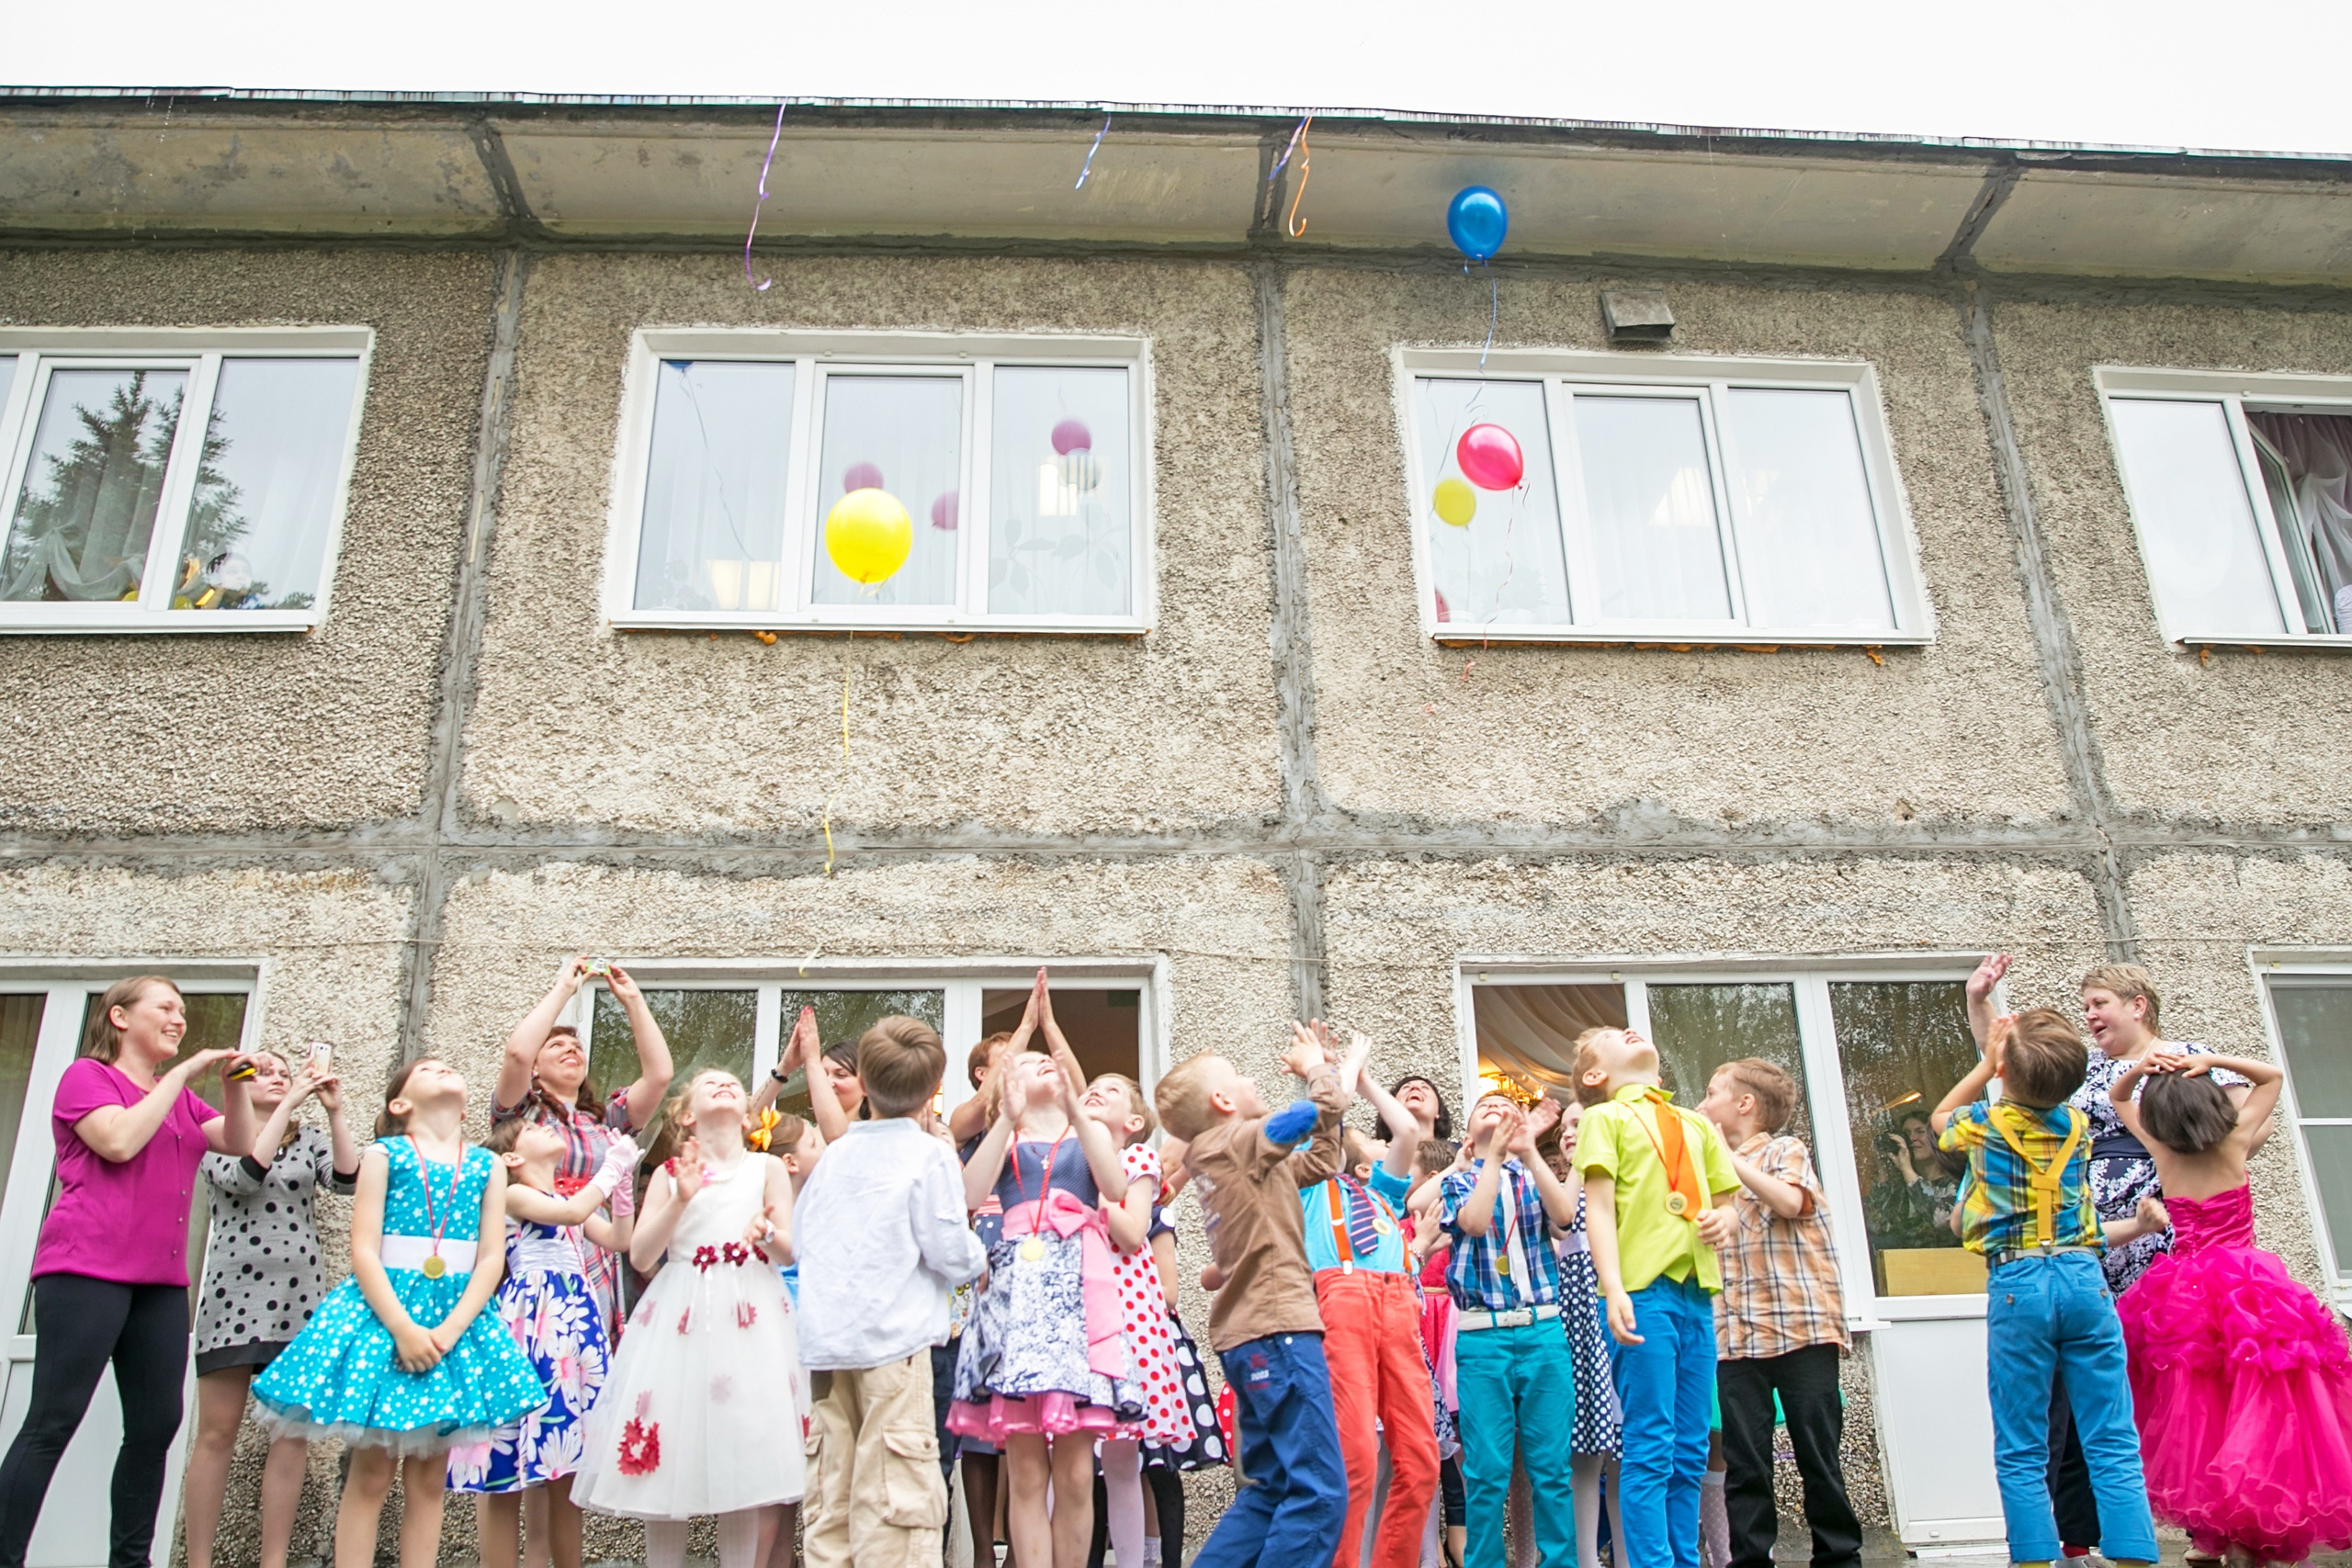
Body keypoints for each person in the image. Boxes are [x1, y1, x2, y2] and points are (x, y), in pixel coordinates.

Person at [1966, 956, 2259, 1561]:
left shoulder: (2187, 1055)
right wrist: (1980, 1004)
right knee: (2077, 1401)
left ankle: (2210, 1525)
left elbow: (2235, 1133)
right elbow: (2022, 1071)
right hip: (2087, 1251)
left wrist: (2178, 1166)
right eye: (2087, 1005)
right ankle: (2082, 1537)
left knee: (2170, 1392)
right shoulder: (2088, 1072)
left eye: (2099, 1002)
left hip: (2162, 1248)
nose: (2090, 1014)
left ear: (2137, 1005)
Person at [0, 977, 257, 1568]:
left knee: (157, 1426)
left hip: (159, 1283)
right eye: (165, 1007)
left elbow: (239, 1144)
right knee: (54, 1420)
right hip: (85, 1270)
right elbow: (117, 1142)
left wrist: (232, 1087)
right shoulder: (87, 1078)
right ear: (119, 1017)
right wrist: (180, 1075)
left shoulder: (180, 1100)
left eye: (183, 1011)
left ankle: (130, 1562)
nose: (179, 1019)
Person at [252, 1056, 548, 1568]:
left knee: (431, 1477)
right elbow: (364, 1250)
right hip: (385, 1316)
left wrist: (453, 1329)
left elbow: (491, 1257)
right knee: (371, 1471)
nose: (443, 1070)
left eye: (448, 1067)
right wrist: (402, 1328)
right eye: (427, 1068)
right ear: (399, 1103)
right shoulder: (384, 1155)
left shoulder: (488, 1165)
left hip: (458, 1318)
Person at [1930, 1010, 2165, 1568]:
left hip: (2019, 1284)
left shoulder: (1984, 1123)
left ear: (2005, 1070)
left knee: (2023, 1443)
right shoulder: (2078, 1128)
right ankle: (2133, 1551)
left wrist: (1985, 1061)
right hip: (2085, 1279)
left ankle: (2034, 1557)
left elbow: (1940, 1118)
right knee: (2110, 1432)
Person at [2108, 1049, 2352, 1565]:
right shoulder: (2237, 1140)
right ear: (2213, 1105)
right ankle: (2241, 1533)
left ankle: (2211, 1534)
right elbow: (2272, 1075)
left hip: (2185, 1292)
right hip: (2248, 1288)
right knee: (2255, 1407)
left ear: (2160, 1118)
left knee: (2199, 1409)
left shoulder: (2159, 1149)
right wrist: (2209, 1061)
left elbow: (2116, 1096)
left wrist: (2144, 1067)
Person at [570, 1069, 802, 1568]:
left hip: (749, 1318)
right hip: (680, 1318)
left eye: (733, 1085)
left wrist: (766, 1233)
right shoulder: (674, 1171)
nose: (724, 1085)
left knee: (741, 1463)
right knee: (668, 1455)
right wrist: (680, 1197)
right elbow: (641, 1256)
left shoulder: (767, 1169)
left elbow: (789, 1250)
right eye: (709, 1083)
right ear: (687, 1115)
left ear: (747, 1115)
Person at [952, 977, 1139, 1568]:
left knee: (1078, 1473)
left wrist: (1077, 1105)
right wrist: (1005, 1117)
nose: (1045, 1065)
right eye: (1030, 1063)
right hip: (1016, 1299)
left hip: (1079, 1301)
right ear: (1009, 1080)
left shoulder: (1086, 1141)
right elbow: (969, 1194)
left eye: (1051, 1063)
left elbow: (1114, 1187)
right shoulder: (1002, 1139)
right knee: (1027, 1470)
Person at [797, 1014, 986, 1568]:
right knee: (895, 1494)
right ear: (932, 1093)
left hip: (829, 1346)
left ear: (867, 1086)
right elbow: (951, 1252)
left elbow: (804, 1238)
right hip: (894, 1345)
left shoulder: (835, 1156)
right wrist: (980, 1259)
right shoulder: (927, 1154)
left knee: (834, 1490)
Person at [1154, 1023, 1347, 1568]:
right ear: (1222, 1101)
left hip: (1249, 1338)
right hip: (1279, 1329)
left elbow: (1321, 1161)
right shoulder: (1239, 1141)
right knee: (1319, 1492)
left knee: (1269, 1488)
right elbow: (1313, 1111)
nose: (1252, 1078)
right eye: (1239, 1076)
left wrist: (1327, 1090)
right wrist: (1318, 1071)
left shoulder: (1232, 1157)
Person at [183, 1048, 360, 1568]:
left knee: (290, 1434)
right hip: (232, 1295)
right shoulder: (216, 1133)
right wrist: (291, 1102)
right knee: (217, 1432)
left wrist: (332, 1110)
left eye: (286, 1074)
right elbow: (246, 1174)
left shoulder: (307, 1139)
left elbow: (347, 1181)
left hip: (298, 1298)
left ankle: (274, 1561)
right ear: (240, 1082)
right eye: (266, 1073)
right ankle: (197, 1560)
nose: (279, 1079)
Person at [1572, 1028, 1741, 1568]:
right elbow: (1597, 1208)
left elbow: (1729, 1204)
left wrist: (1724, 1219)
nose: (1627, 1029)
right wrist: (1613, 1286)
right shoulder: (1604, 1118)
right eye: (1608, 1037)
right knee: (1651, 1443)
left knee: (1691, 1448)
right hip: (1643, 1291)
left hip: (1696, 1296)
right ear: (1596, 1075)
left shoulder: (1696, 1123)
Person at [448, 1117, 641, 1568]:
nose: (548, 1128)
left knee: (566, 1472)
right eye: (534, 1129)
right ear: (512, 1158)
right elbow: (573, 1216)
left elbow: (618, 1238)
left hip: (573, 1331)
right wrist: (610, 1170)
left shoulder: (568, 1196)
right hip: (532, 1328)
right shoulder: (513, 1194)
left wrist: (624, 1186)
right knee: (506, 1479)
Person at [1693, 1059, 1860, 1568]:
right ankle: (1749, 1560)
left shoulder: (1784, 1149)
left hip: (1801, 1329)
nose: (1702, 1102)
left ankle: (1838, 1558)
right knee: (1745, 1465)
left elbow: (1790, 1202)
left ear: (1745, 1104)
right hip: (1734, 1338)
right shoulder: (1703, 1169)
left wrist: (1727, 1159)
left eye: (1712, 1091)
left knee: (1819, 1458)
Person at [1303, 1032, 1434, 1568]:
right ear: (1353, 1162)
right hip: (1344, 1295)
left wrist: (1361, 1077)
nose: (1380, 1146)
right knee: (1355, 1455)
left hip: (1400, 1302)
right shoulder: (1310, 1187)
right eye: (1367, 1142)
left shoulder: (1383, 1191)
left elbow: (1404, 1128)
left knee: (1421, 1461)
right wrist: (1336, 1072)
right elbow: (1324, 1126)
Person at [494, 957, 676, 1337]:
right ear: (535, 1070)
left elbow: (659, 1075)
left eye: (577, 1046)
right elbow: (516, 1054)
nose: (571, 1050)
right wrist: (564, 988)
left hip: (595, 1244)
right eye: (556, 1045)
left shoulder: (605, 1120)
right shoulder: (522, 1115)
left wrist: (633, 1001)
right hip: (536, 1245)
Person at [1439, 1089, 1579, 1568]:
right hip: (1484, 1338)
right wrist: (1492, 1159)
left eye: (1506, 1107)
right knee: (1487, 1471)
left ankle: (1560, 1562)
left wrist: (1528, 1152)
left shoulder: (1531, 1174)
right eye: (1485, 1107)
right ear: (1468, 1139)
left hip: (1543, 1331)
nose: (1497, 1110)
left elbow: (1563, 1216)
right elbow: (1474, 1223)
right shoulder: (1460, 1181)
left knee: (1551, 1469)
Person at [1537, 1099, 1621, 1568]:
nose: (1570, 1133)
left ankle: (1629, 1558)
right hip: (1576, 1318)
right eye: (1566, 1127)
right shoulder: (1562, 1187)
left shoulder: (1618, 1181)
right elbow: (1561, 1218)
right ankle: (1586, 1560)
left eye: (1582, 1125)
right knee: (1583, 1451)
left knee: (1629, 1452)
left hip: (1617, 1309)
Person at [1861, 1111, 1962, 1253]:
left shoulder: (1958, 1183)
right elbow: (1875, 1225)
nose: (1912, 1138)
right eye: (1906, 1134)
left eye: (1920, 1132)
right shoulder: (1901, 1188)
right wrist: (1883, 1172)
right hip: (1903, 1268)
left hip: (1949, 1267)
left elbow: (1942, 1221)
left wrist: (1908, 1171)